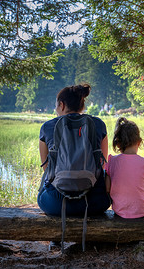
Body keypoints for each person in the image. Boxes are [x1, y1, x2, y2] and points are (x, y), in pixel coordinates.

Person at [37, 84, 111, 216]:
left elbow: (47, 169)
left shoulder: (47, 127)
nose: (56, 109)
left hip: (56, 204)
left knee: (44, 184)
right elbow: (102, 164)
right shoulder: (98, 124)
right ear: (81, 105)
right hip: (94, 203)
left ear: (62, 105)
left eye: (56, 106)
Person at [105, 117, 144, 218]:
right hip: (142, 212)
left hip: (120, 211)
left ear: (118, 143)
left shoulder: (111, 161)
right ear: (139, 142)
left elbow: (107, 188)